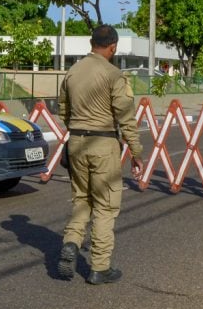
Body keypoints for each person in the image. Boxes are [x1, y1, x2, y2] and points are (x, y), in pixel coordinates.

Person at [57, 25, 144, 285]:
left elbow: (64, 110)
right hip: (103, 143)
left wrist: (76, 129)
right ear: (113, 47)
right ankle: (99, 267)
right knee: (105, 206)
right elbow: (126, 118)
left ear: (91, 42)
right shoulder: (114, 75)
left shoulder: (73, 71)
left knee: (81, 200)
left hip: (76, 142)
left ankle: (71, 241)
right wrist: (136, 151)